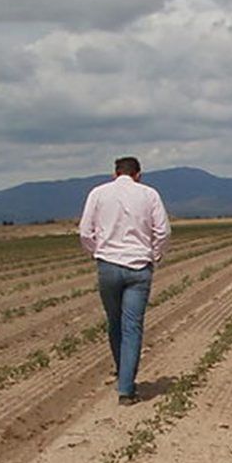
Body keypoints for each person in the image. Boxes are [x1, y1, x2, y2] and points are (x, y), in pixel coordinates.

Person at [79, 157, 171, 405]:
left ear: (115, 173)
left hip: (108, 266)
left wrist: (97, 252)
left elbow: (85, 232)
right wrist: (154, 254)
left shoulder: (98, 193)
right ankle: (126, 389)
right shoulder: (149, 194)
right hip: (139, 267)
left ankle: (123, 371)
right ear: (138, 174)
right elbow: (162, 231)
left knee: (115, 321)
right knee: (132, 327)